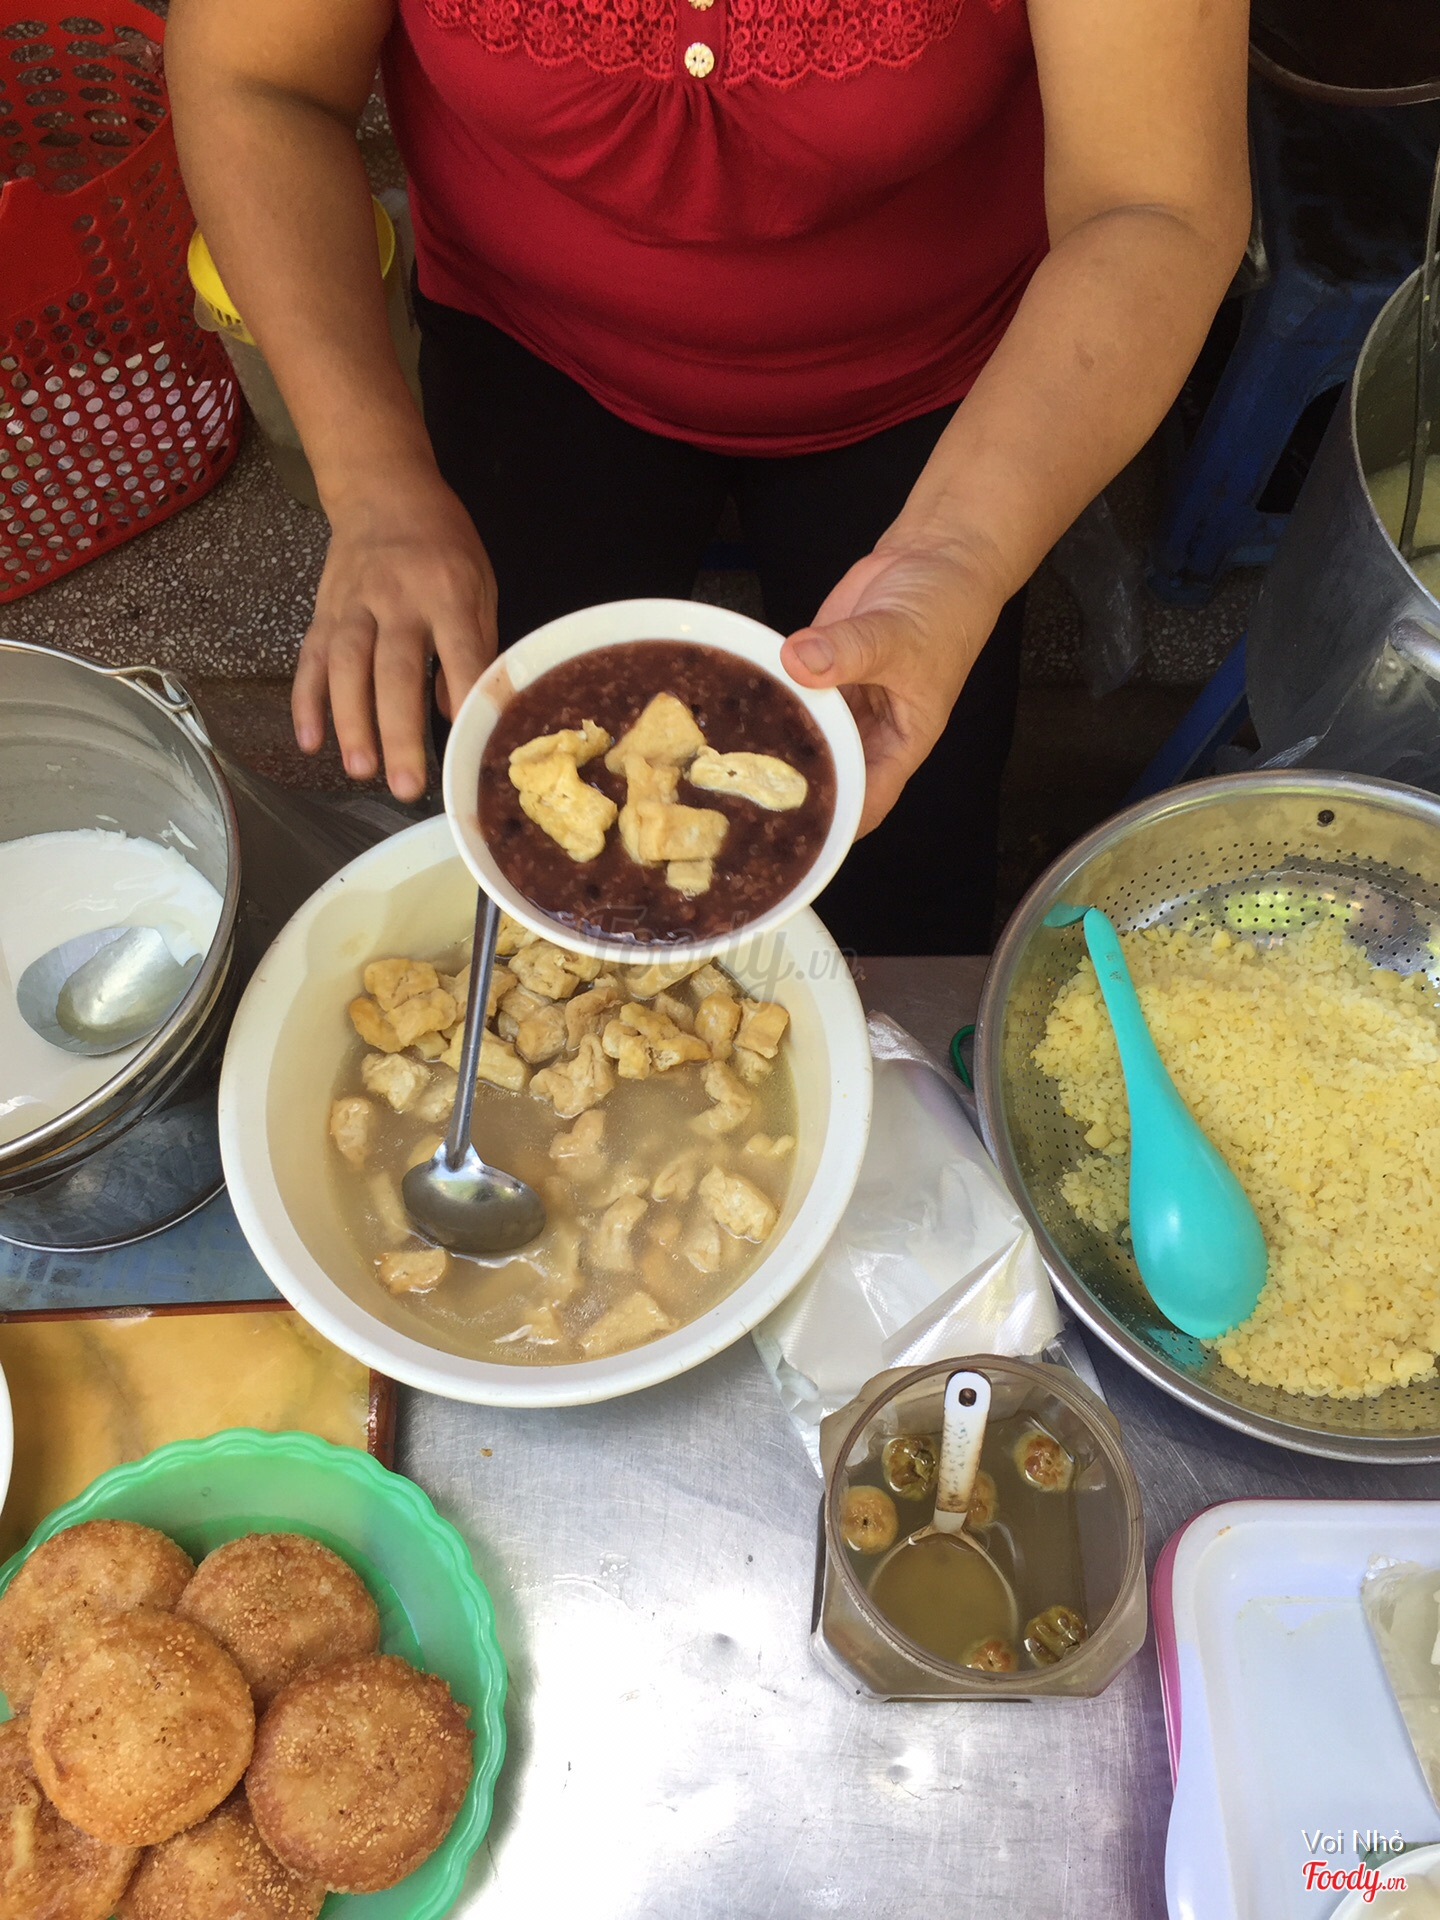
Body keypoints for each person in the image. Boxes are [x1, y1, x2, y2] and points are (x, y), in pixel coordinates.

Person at [167, 0, 1249, 951]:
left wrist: (958, 556)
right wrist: (374, 484)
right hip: (530, 351)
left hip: (936, 391)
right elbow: (259, 79)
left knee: (904, 842)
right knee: (518, 811)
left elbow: (1152, 203)